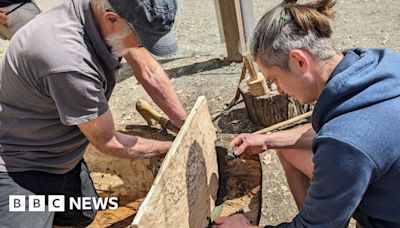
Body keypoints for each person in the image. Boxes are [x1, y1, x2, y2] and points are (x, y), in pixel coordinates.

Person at [0, 0, 187, 227]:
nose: (142, 47)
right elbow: (109, 142)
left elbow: (148, 70)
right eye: (142, 39)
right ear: (111, 19)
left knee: (82, 214)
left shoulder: (101, 11)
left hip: (60, 150)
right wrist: (175, 149)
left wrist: (186, 124)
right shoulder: (67, 61)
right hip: (21, 163)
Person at [215, 0, 400, 227]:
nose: (279, 90)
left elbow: (345, 140)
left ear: (299, 61)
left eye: (275, 80)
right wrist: (268, 140)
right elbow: (341, 131)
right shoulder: (381, 63)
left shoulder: (345, 143)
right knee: (287, 148)